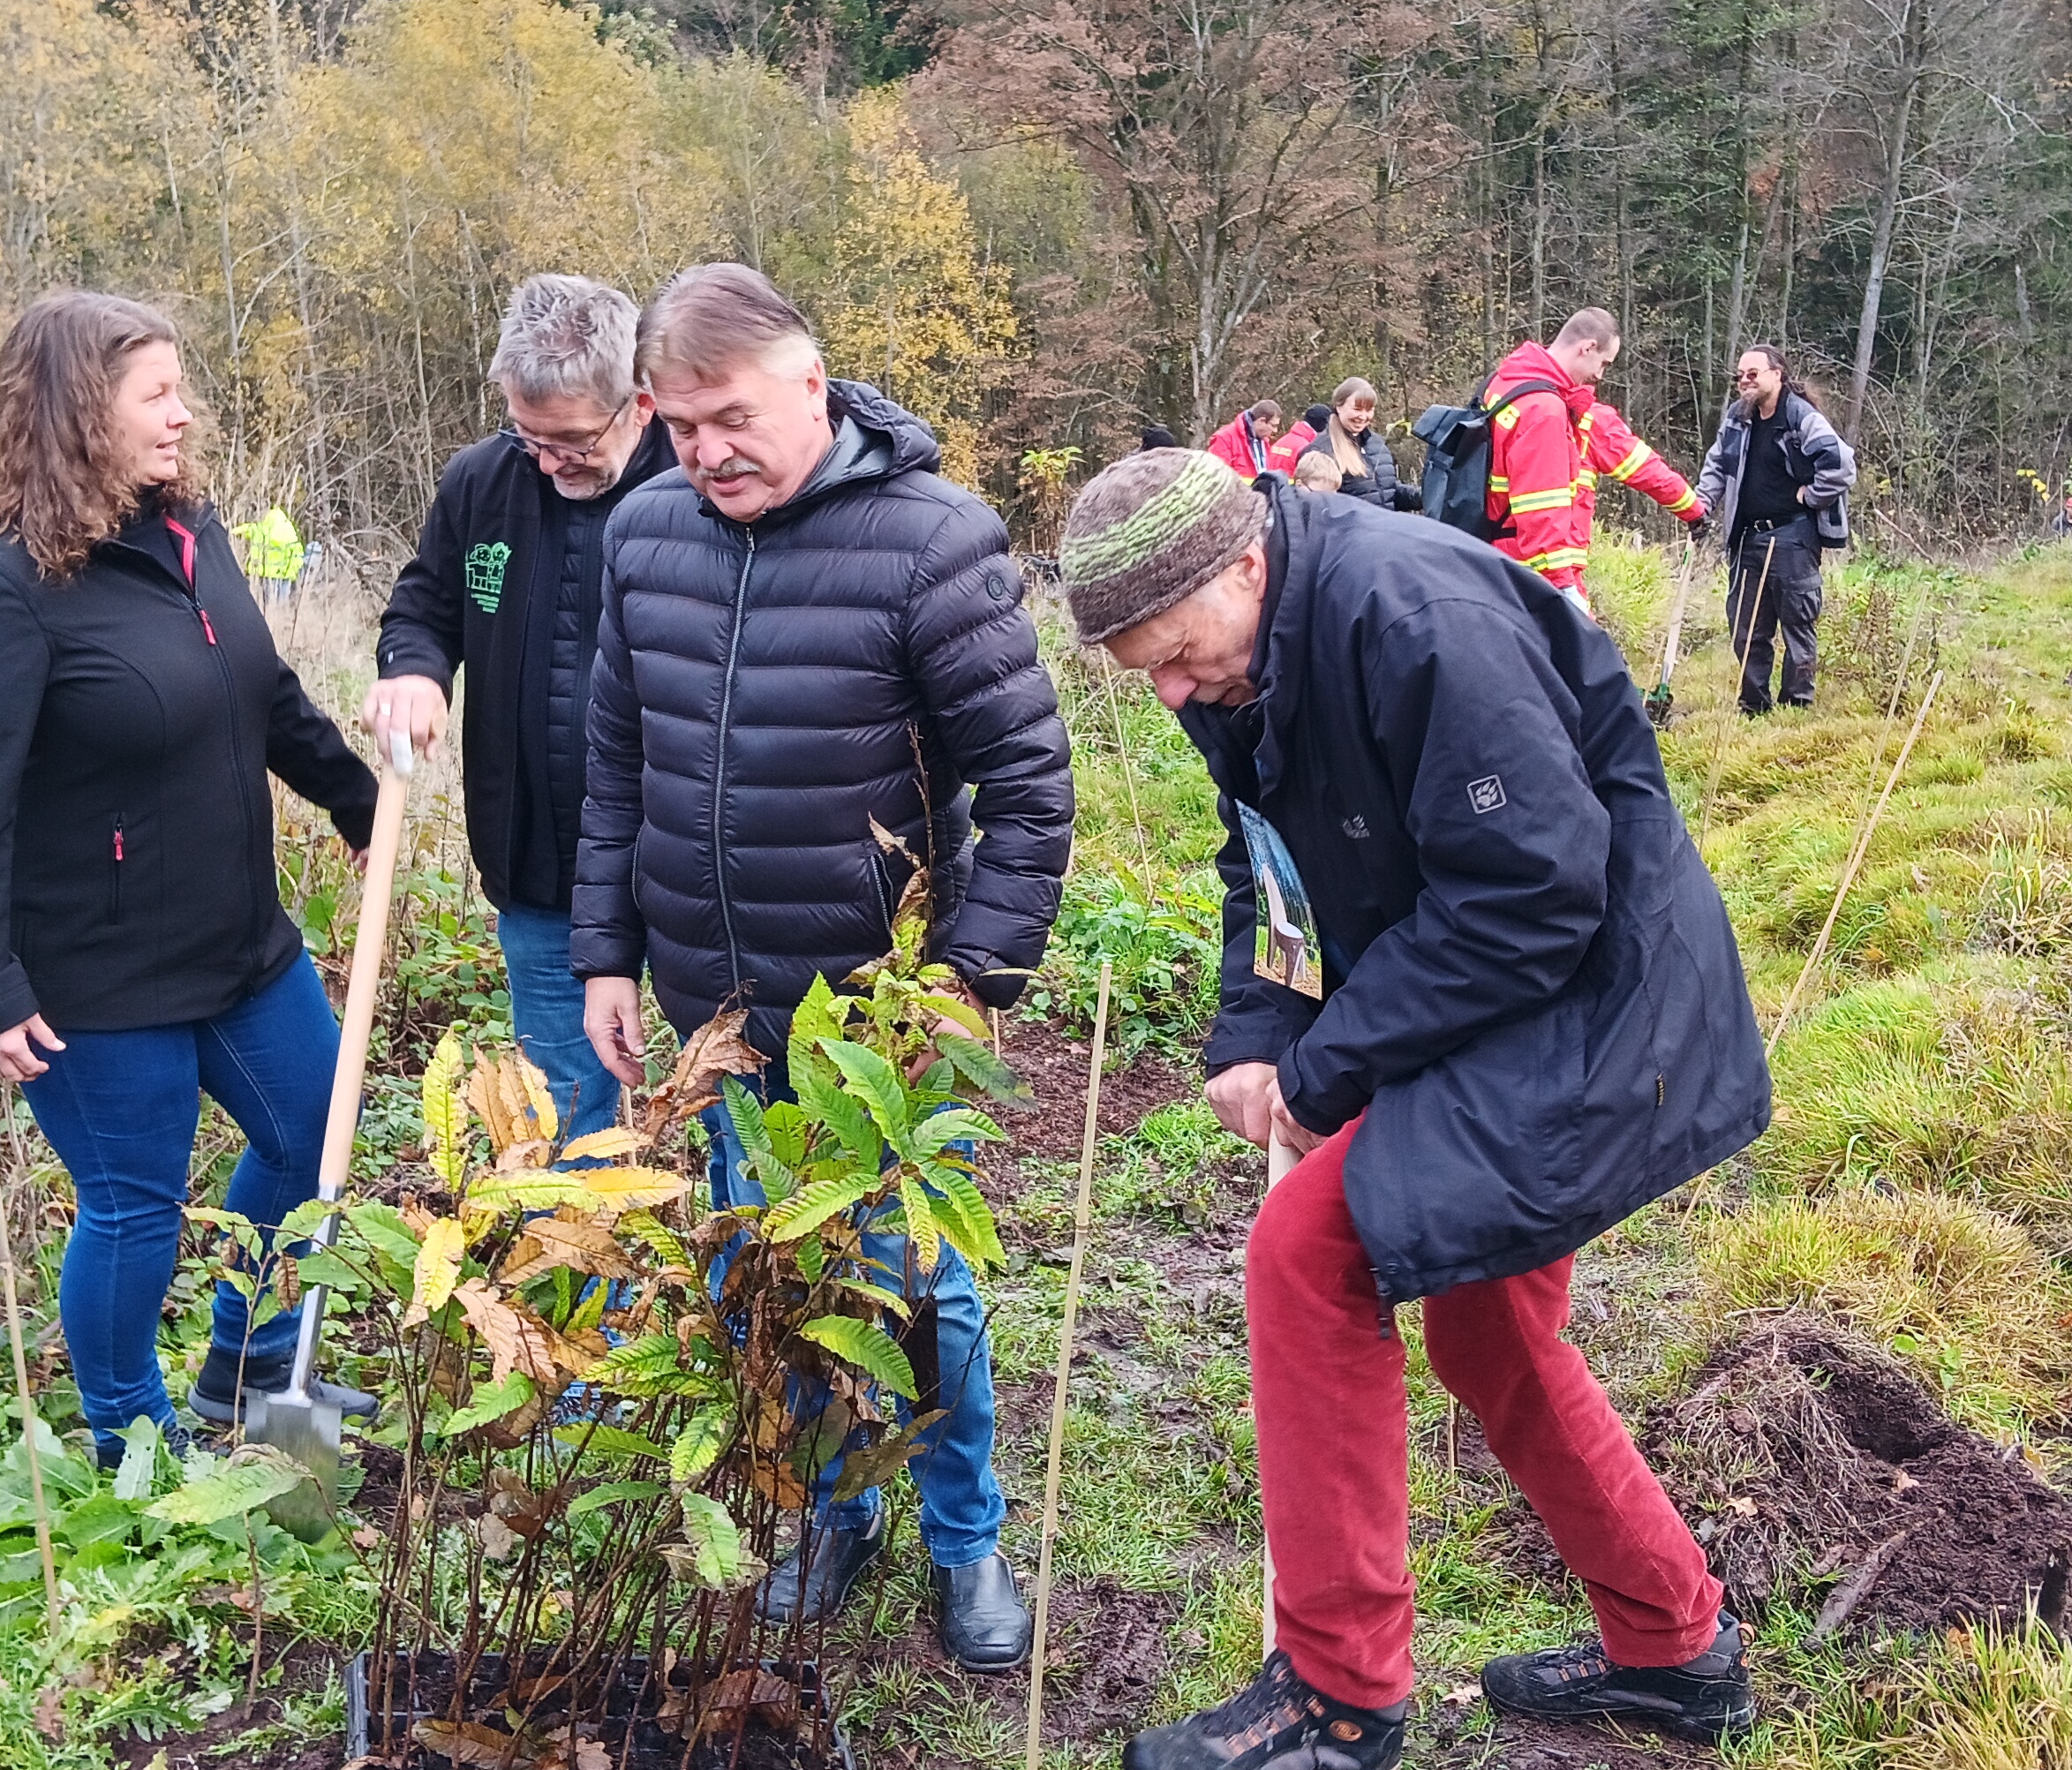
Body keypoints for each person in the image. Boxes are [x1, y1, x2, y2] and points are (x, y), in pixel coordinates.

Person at [1059, 449, 1768, 1770]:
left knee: (1309, 1254)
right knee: (1491, 1338)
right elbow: (1261, 857)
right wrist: (1260, 1029)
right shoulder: (1243, 653)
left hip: (1594, 1008)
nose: (1168, 690)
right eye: (1138, 670)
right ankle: (1676, 1650)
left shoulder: (1414, 617)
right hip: (1480, 996)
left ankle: (1339, 1702)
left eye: (1173, 653)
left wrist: (1323, 1074)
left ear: (1244, 564)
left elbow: (1536, 895)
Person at [571, 262, 1073, 1672]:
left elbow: (1029, 790)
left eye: (726, 416)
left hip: (876, 1034)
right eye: (675, 425)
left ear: (809, 382)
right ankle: (834, 1511)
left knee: (919, 1299)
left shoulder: (931, 543)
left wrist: (968, 982)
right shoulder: (646, 534)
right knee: (768, 1286)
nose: (704, 451)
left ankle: (965, 1540)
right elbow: (617, 765)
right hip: (715, 1016)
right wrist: (609, 949)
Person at [0, 290, 383, 1468]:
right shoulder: (5, 594)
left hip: (237, 943)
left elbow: (259, 692)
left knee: (312, 1134)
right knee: (136, 1210)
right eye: (156, 395)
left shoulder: (191, 536)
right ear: (81, 414)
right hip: (95, 975)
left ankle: (251, 1356)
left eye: (182, 389)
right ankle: (134, 1443)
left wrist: (351, 795)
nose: (186, 415)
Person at [368, 276, 677, 1138]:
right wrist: (415, 669)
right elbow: (424, 604)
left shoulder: (701, 490)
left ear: (640, 405)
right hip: (542, 872)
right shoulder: (481, 483)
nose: (547, 460)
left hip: (689, 872)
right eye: (528, 435)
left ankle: (742, 1274)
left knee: (728, 1098)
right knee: (565, 1109)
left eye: (572, 439)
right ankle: (584, 1268)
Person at [1477, 310, 1703, 608]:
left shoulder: (1504, 384)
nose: (1600, 375)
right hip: (1534, 574)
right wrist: (1562, 587)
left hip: (1489, 558)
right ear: (1587, 348)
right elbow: (1542, 507)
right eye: (1604, 363)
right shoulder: (1548, 411)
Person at [1691, 346, 1856, 712]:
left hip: (1793, 537)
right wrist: (1700, 505)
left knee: (1798, 622)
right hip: (1747, 536)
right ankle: (1754, 704)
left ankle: (1797, 703)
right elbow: (1717, 466)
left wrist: (1811, 496)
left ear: (1777, 374)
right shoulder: (1739, 417)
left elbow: (1842, 466)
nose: (1744, 381)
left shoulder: (1800, 417)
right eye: (1740, 376)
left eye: (1753, 373)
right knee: (1746, 627)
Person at [1313, 379, 1418, 510]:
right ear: (1339, 407)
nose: (1363, 417)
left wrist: (1423, 496)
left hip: (1385, 528)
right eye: (1357, 409)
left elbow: (1389, 492)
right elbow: (1318, 508)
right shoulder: (1320, 451)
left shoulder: (1376, 443)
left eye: (1369, 410)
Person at [1205, 397, 1314, 481]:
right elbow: (1216, 478)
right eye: (1273, 425)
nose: (1275, 431)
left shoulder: (1263, 441)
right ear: (1261, 421)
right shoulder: (1224, 439)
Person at [229, 502, 307, 605]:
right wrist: (295, 570)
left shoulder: (263, 529)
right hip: (286, 573)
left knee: (268, 603)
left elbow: (249, 529)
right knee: (282, 604)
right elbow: (298, 549)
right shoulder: (289, 528)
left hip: (268, 572)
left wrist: (232, 531)